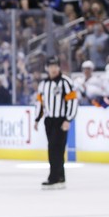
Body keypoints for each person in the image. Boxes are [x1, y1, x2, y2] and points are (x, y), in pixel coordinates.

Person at [33, 56, 78, 189]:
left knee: (55, 148)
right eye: (50, 66)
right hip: (49, 120)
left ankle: (53, 177)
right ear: (47, 68)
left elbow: (72, 102)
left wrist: (68, 119)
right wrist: (37, 118)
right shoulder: (43, 85)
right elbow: (40, 103)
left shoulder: (66, 82)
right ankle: (60, 176)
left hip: (61, 119)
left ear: (59, 67)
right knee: (55, 149)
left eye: (55, 66)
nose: (53, 69)